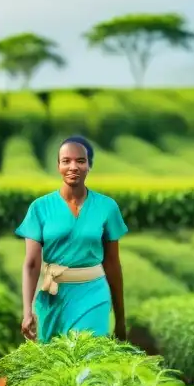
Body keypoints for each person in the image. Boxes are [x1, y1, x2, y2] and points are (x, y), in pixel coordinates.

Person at [18, 135, 128, 344]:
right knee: (55, 362)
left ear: (89, 166)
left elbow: (113, 264)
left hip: (93, 293)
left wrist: (121, 319)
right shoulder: (40, 208)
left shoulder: (107, 207)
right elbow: (32, 264)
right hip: (54, 297)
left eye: (80, 161)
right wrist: (27, 311)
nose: (73, 166)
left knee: (89, 354)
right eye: (66, 161)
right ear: (58, 165)